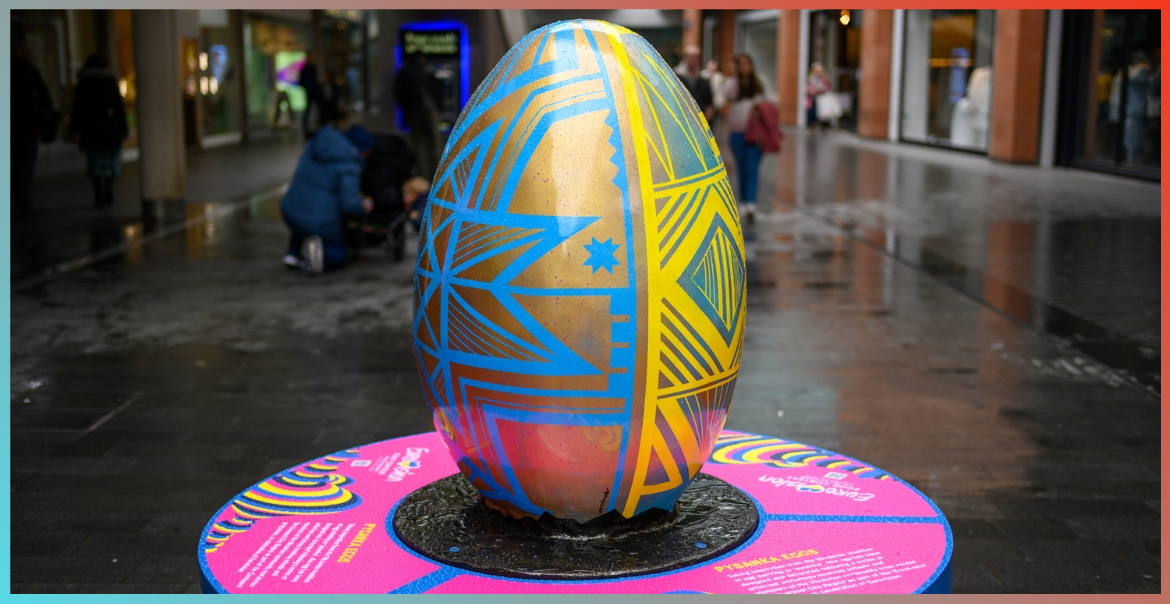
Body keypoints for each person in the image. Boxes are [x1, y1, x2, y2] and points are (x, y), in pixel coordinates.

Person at [280, 123, 375, 274]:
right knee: (339, 256)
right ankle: (319, 255)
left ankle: (293, 254)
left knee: (302, 221)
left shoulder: (315, 144)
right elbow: (348, 204)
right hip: (319, 222)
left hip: (290, 209)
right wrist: (363, 207)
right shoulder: (349, 163)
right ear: (361, 149)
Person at [69, 54, 129, 209]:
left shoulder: (82, 84)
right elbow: (119, 108)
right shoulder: (110, 83)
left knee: (94, 162)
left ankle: (98, 192)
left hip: (90, 129)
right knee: (110, 161)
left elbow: (76, 109)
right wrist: (123, 130)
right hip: (109, 128)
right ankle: (108, 189)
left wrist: (74, 129)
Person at [11, 41, 58, 214]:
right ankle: (20, 181)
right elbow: (42, 96)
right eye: (26, 50)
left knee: (20, 155)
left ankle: (19, 180)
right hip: (27, 122)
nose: (30, 53)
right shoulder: (28, 72)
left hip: (16, 123)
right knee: (27, 155)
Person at [726, 53, 766, 222]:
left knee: (752, 168)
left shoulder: (759, 83)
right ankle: (743, 201)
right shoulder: (731, 84)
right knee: (741, 168)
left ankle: (751, 203)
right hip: (736, 133)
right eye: (740, 64)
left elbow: (766, 103)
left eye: (746, 64)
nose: (744, 67)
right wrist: (735, 76)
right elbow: (729, 97)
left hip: (755, 134)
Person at [395, 52, 442, 180]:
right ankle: (438, 175)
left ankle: (423, 176)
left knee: (419, 144)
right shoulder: (428, 69)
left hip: (413, 112)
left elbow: (399, 94)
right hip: (431, 109)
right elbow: (439, 90)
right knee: (435, 142)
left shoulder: (404, 72)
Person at [677, 45, 715, 124]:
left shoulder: (704, 80)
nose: (694, 60)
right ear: (685, 58)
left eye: (696, 57)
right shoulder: (677, 78)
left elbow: (709, 104)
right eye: (691, 57)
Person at [298, 52, 322, 138]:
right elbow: (302, 81)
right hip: (309, 92)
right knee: (308, 110)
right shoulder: (305, 69)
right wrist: (307, 87)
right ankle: (305, 127)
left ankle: (319, 126)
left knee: (318, 109)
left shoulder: (313, 68)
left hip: (314, 92)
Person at [806, 62, 832, 133]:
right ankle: (812, 128)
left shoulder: (825, 78)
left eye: (819, 71)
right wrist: (811, 91)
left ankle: (824, 127)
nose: (817, 73)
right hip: (814, 99)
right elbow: (808, 87)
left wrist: (821, 90)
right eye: (816, 71)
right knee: (812, 113)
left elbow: (828, 88)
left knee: (823, 114)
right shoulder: (811, 78)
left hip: (822, 99)